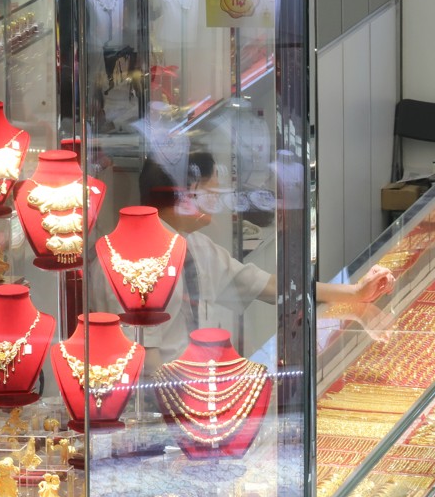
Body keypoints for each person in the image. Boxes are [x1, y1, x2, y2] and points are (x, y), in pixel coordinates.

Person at [102, 154, 394, 362]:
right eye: (212, 192)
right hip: (160, 400)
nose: (218, 202)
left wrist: (353, 292)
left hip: (198, 383)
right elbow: (145, 358)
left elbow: (271, 286)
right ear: (187, 195)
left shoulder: (198, 247)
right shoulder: (135, 260)